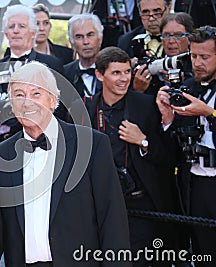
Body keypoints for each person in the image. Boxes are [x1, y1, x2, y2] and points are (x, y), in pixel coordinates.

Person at [0, 61, 130, 267]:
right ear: (11, 104)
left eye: (36, 94)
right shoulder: (1, 155)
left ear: (53, 99)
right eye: (19, 95)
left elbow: (113, 221)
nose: (27, 103)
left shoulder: (91, 146)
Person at [72, 47, 178, 266]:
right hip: (99, 206)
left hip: (140, 206)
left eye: (127, 72)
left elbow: (170, 156)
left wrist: (143, 141)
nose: (124, 79)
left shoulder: (147, 105)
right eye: (116, 73)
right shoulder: (83, 109)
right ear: (100, 75)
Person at [0, 4, 64, 176]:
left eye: (22, 26)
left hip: (40, 149)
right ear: (6, 34)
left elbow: (63, 109)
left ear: (33, 33)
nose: (16, 31)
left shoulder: (52, 65)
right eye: (11, 27)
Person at [156, 26, 216, 267]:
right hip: (195, 185)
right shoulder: (188, 87)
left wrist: (210, 113)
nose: (197, 63)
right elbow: (173, 147)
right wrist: (167, 119)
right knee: (203, 252)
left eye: (205, 57)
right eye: (193, 56)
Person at [134, 12, 194, 95]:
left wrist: (186, 83)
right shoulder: (153, 67)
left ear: (189, 38)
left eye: (178, 35)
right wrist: (139, 89)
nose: (171, 41)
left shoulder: (197, 67)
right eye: (166, 35)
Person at [63, 13, 104, 106]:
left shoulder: (112, 70)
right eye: (79, 37)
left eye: (90, 35)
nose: (86, 42)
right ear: (72, 43)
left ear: (100, 38)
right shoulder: (65, 73)